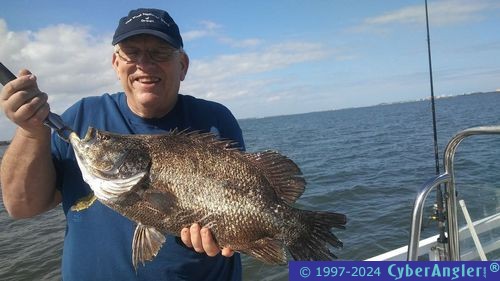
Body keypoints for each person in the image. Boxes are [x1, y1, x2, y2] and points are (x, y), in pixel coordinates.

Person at [0, 8, 244, 281]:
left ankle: (304, 273)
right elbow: (21, 207)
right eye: (131, 52)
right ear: (116, 64)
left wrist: (227, 235)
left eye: (159, 52)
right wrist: (31, 132)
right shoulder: (81, 117)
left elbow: (238, 205)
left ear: (183, 65)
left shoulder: (214, 120)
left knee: (301, 267)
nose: (145, 64)